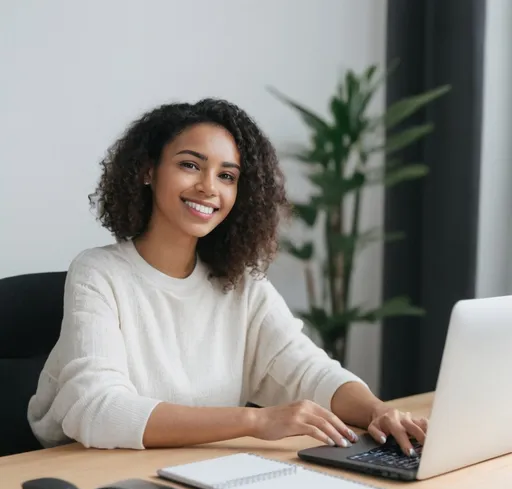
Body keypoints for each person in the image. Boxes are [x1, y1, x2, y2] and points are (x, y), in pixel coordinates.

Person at [27, 98, 427, 457]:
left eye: (227, 176)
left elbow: (310, 371)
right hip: (86, 474)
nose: (208, 188)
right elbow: (100, 411)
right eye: (190, 165)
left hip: (198, 467)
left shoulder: (242, 285)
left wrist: (379, 410)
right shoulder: (99, 273)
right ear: (148, 171)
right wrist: (255, 421)